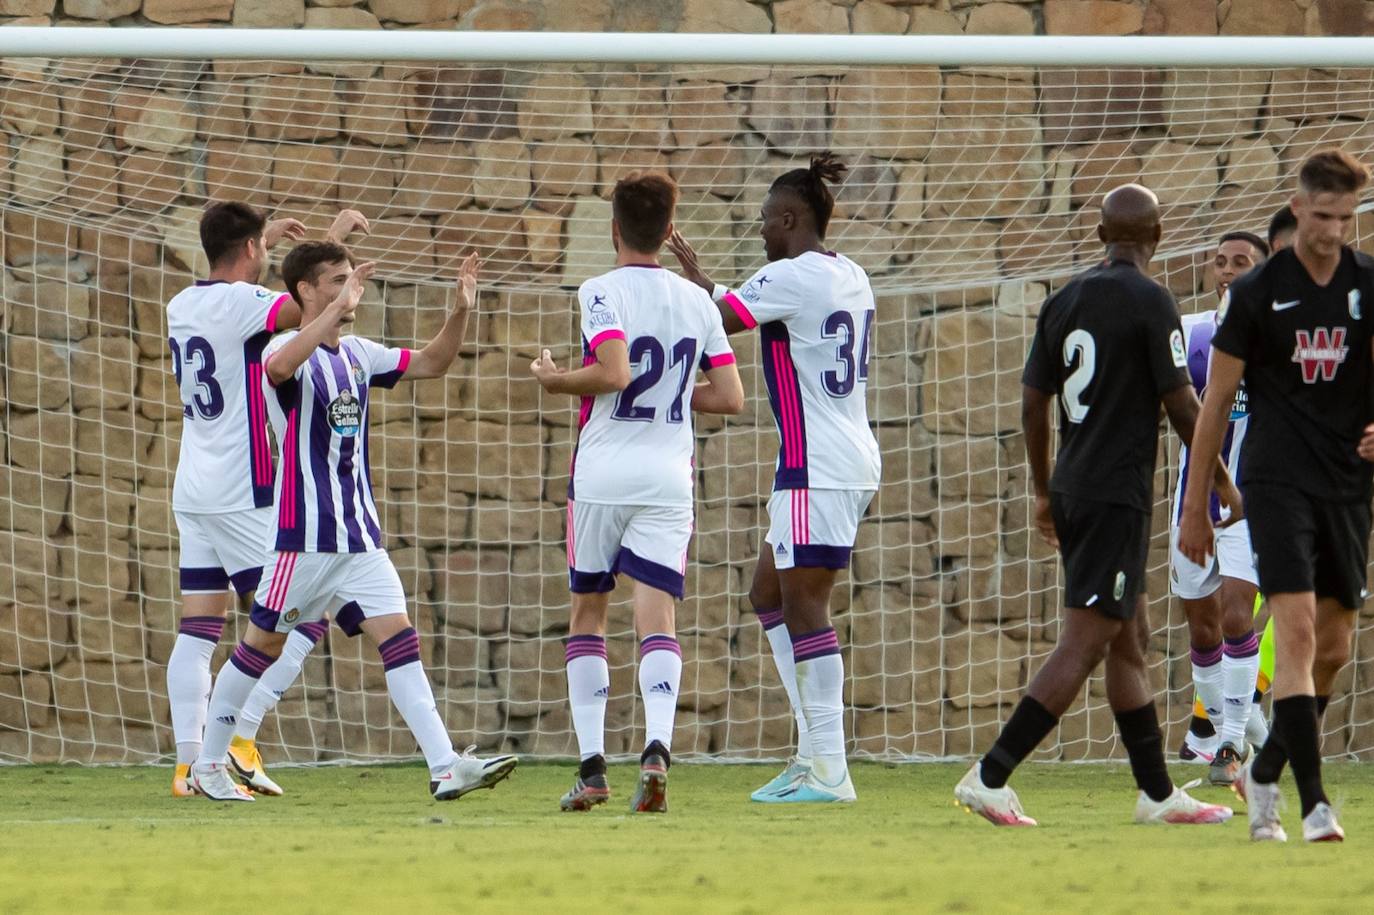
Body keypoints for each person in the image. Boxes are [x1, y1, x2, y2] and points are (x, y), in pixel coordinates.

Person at [189, 241, 518, 802]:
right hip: (304, 540)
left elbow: (434, 362)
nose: (349, 288)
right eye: (335, 280)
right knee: (258, 650)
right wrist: (332, 311)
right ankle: (210, 763)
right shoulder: (283, 348)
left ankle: (444, 765)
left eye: (350, 278)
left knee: (401, 642)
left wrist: (461, 310)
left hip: (360, 538)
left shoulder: (360, 354)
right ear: (306, 291)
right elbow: (278, 367)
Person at [953, 184, 1236, 827]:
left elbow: (1033, 402)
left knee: (1128, 637)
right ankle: (990, 774)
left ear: (1100, 234)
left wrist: (1043, 488)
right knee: (1086, 639)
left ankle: (1157, 794)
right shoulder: (1152, 299)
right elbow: (1182, 403)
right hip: (1115, 492)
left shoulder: (1064, 299)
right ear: (1158, 236)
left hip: (1076, 485)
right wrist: (1219, 480)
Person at [669, 153, 881, 803]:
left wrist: (691, 281)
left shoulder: (794, 275)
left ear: (790, 218)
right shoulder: (851, 274)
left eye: (766, 220)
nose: (760, 230)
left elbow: (721, 317)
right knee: (769, 593)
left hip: (816, 466)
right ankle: (811, 753)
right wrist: (706, 283)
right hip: (843, 457)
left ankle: (829, 767)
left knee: (804, 606)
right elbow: (732, 307)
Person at [531, 171, 742, 813]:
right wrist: (677, 398)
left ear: (614, 229)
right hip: (667, 480)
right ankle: (656, 751)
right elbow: (730, 397)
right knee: (659, 623)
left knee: (588, 615)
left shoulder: (600, 290)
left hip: (602, 477)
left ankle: (593, 768)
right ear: (668, 230)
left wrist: (555, 378)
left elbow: (615, 370)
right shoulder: (698, 302)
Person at [1181, 147, 1374, 842]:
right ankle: (1312, 800)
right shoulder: (1257, 294)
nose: (1332, 230)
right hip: (1275, 479)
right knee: (1291, 630)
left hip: (1348, 482)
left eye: (1345, 218)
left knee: (1335, 645)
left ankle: (1266, 764)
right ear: (1298, 210)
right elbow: (1216, 400)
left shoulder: (1367, 283)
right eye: (1322, 216)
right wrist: (1198, 504)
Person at [164, 201, 366, 797]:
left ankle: (186, 764)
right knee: (305, 612)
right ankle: (240, 739)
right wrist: (331, 243)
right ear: (253, 249)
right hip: (244, 492)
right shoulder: (246, 304)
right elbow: (312, 307)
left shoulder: (183, 303)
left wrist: (267, 247)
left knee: (199, 629)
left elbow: (276, 305)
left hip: (194, 488)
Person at [1168, 230, 1273, 785]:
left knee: (1237, 615)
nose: (1228, 270)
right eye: (1220, 262)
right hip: (1193, 501)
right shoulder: (1190, 333)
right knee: (1203, 632)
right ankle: (1258, 734)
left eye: (1241, 263)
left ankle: (1228, 748)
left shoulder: (1276, 338)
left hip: (1249, 502)